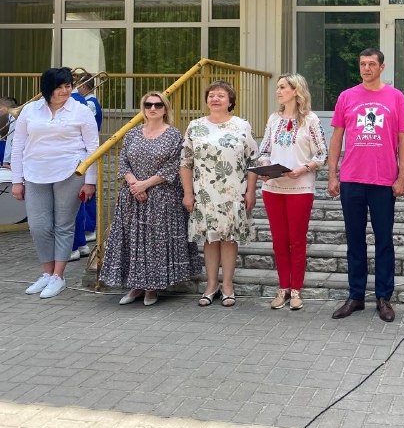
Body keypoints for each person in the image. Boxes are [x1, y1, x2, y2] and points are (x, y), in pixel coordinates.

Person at [328, 48, 404, 323]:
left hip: (383, 180)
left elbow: (403, 140)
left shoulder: (395, 97)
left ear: (381, 67)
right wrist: (332, 174)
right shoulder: (347, 96)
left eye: (371, 64)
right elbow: (337, 137)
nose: (366, 68)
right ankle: (355, 296)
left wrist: (402, 176)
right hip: (352, 179)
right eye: (363, 64)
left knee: (384, 241)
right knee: (354, 241)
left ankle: (383, 297)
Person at [100, 92, 201, 306]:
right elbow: (123, 161)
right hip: (132, 197)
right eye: (148, 105)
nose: (152, 108)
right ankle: (135, 286)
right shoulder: (132, 133)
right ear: (143, 108)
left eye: (157, 105)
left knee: (155, 242)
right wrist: (134, 184)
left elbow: (173, 166)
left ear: (165, 109)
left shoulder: (173, 135)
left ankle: (152, 288)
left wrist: (145, 184)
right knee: (133, 241)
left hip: (162, 197)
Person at [10, 68, 99, 299]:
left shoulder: (81, 111)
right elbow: (18, 146)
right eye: (60, 87)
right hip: (34, 173)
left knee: (63, 225)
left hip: (70, 173)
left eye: (68, 86)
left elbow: (93, 149)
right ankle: (47, 273)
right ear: (48, 88)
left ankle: (58, 276)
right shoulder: (30, 110)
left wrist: (90, 182)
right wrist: (17, 180)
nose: (65, 91)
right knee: (38, 226)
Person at [180, 81, 258, 308]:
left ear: (230, 101)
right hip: (205, 193)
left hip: (233, 193)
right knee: (210, 239)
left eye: (221, 95)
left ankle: (228, 286)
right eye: (211, 95)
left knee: (229, 239)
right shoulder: (195, 126)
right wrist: (188, 193)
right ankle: (211, 285)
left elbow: (253, 160)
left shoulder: (242, 125)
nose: (215, 99)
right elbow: (185, 162)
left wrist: (251, 190)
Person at [258, 74, 327, 311]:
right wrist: (265, 167)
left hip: (300, 188)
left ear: (296, 90)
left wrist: (304, 168)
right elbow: (264, 150)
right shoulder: (274, 118)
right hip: (273, 188)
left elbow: (321, 154)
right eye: (277, 87)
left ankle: (296, 289)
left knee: (297, 241)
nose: (278, 91)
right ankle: (282, 288)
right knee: (279, 241)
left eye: (282, 87)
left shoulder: (310, 119)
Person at [70, 73, 103, 259]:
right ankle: (81, 239)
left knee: (82, 199)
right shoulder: (85, 101)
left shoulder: (85, 103)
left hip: (83, 153)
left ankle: (87, 231)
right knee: (81, 200)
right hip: (83, 153)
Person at [0, 96, 18, 166]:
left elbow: (11, 139)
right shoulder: (5, 117)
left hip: (11, 155)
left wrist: (6, 160)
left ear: (7, 107)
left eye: (0, 107)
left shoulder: (14, 117)